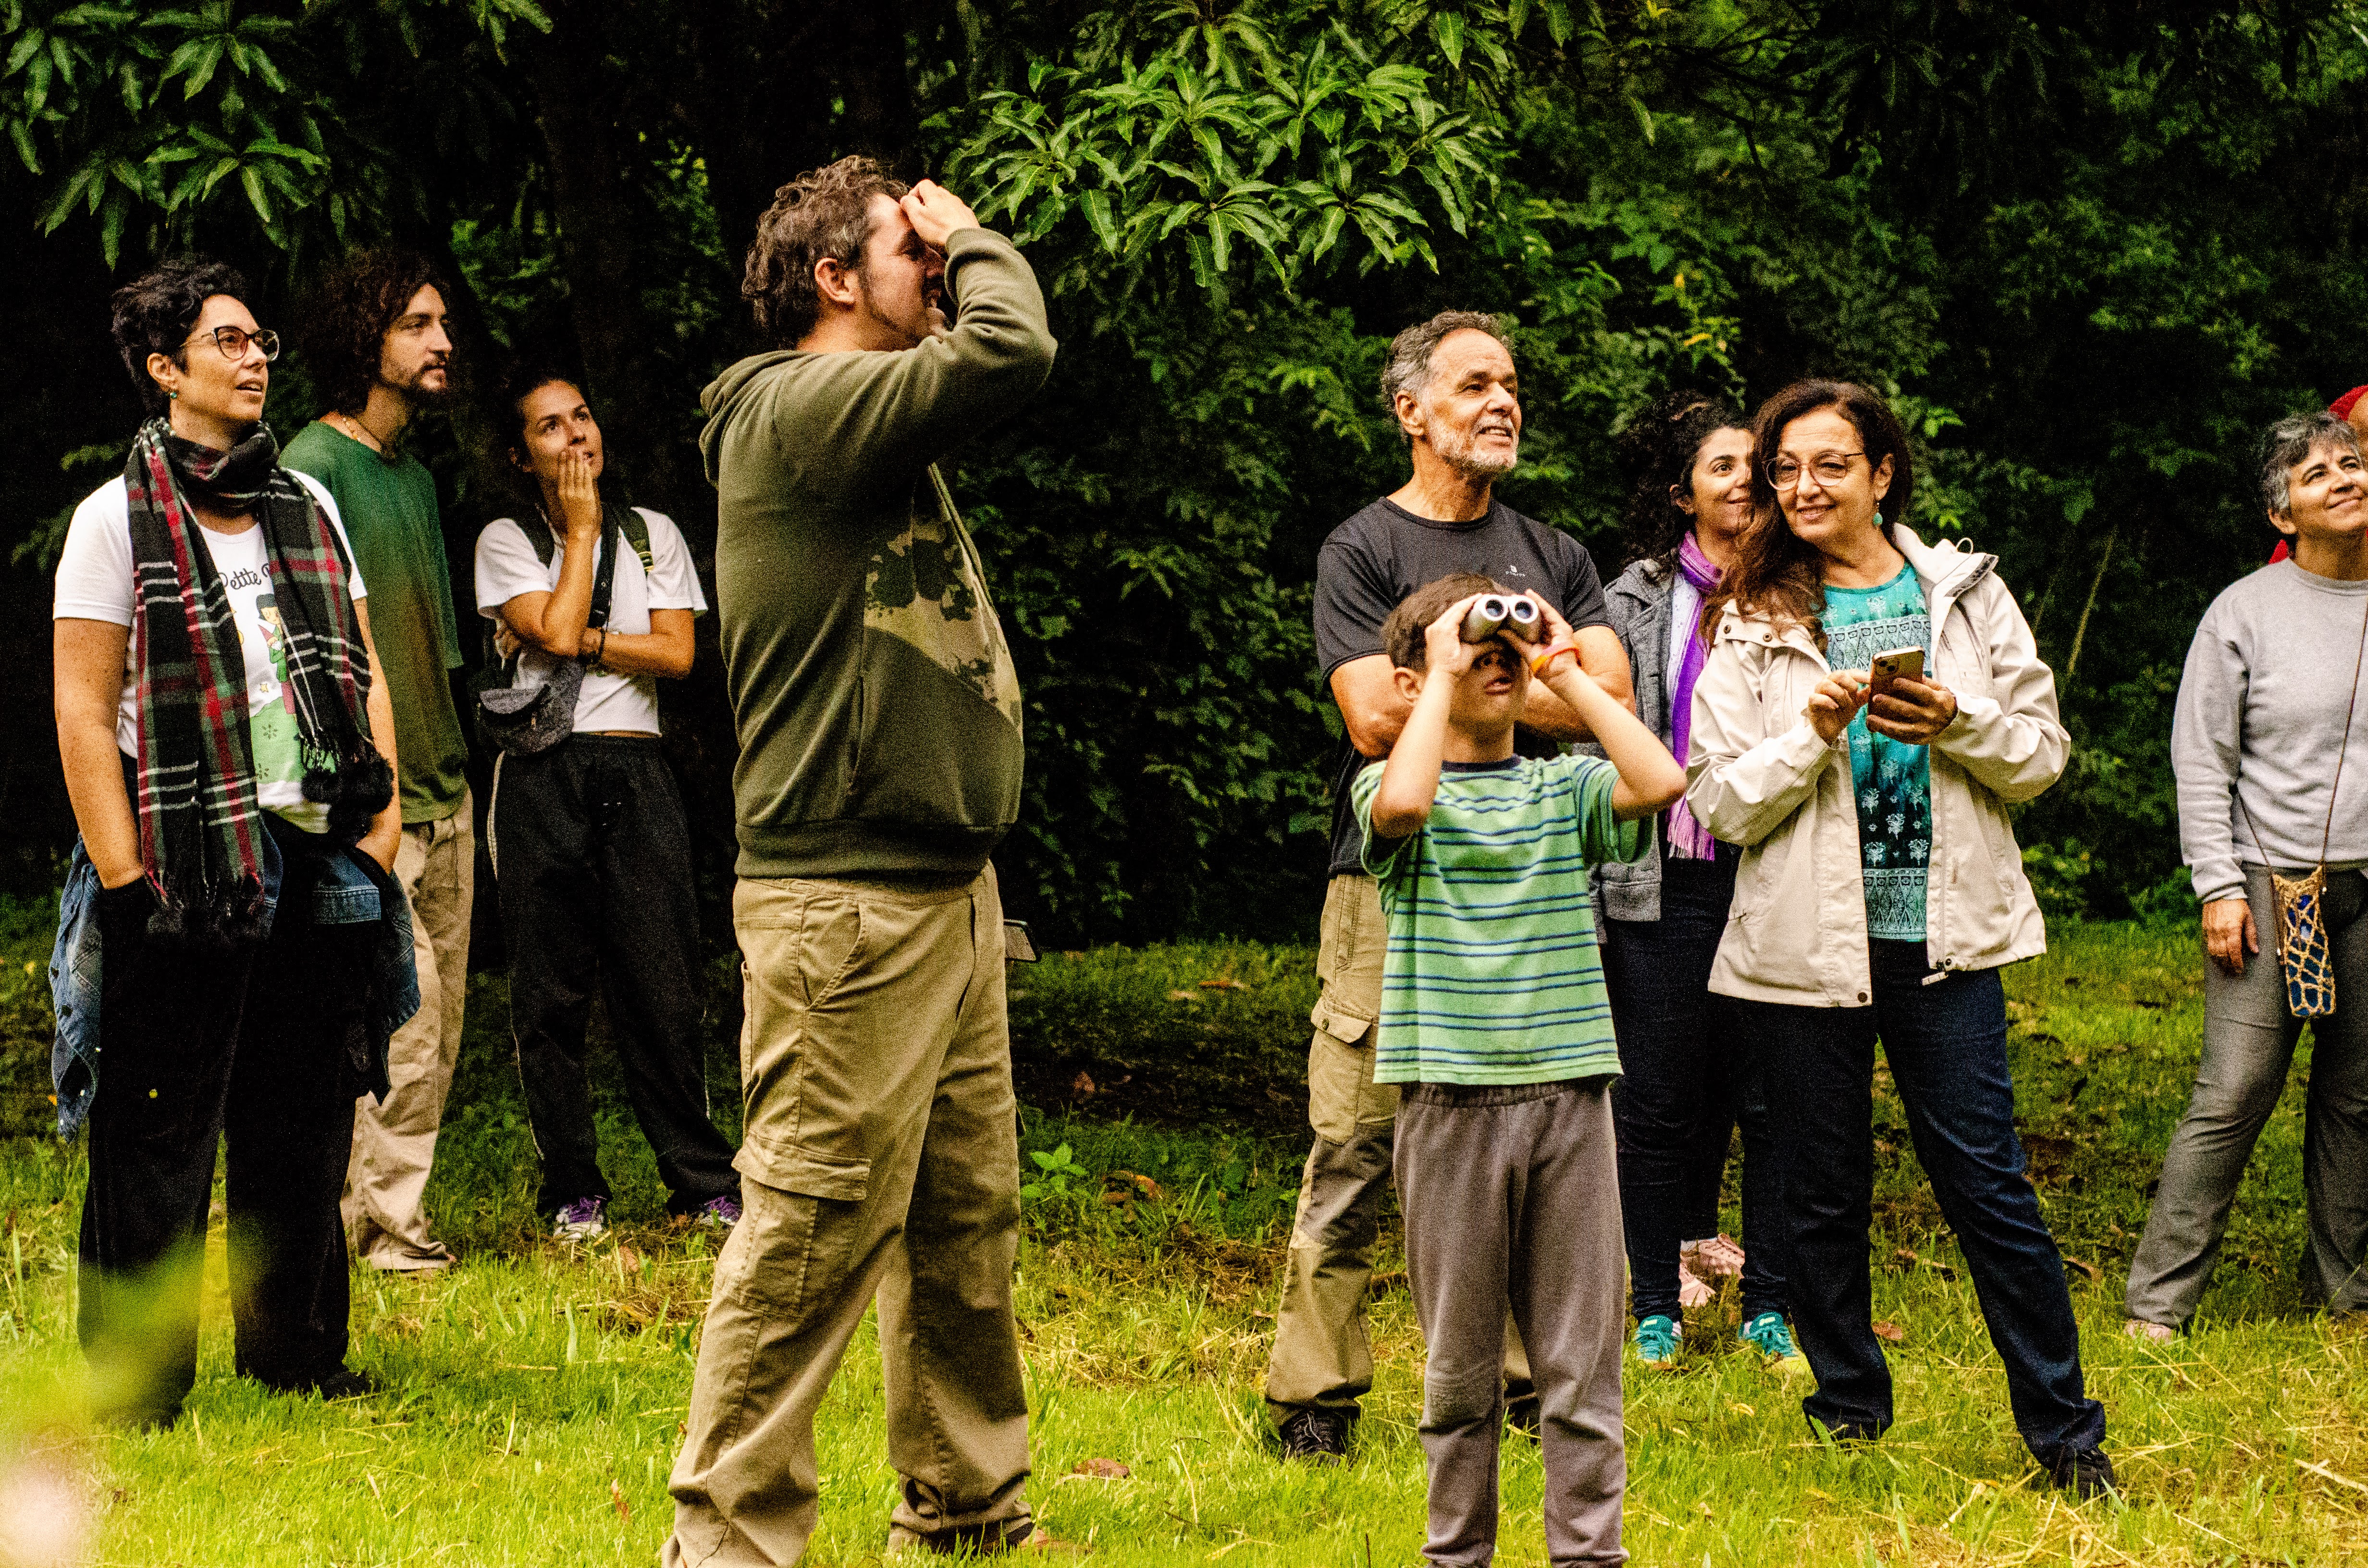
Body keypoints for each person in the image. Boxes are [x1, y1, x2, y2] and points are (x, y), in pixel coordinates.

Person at [666, 157, 1056, 1564]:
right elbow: (1012, 348)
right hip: (845, 902)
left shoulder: (862, 426)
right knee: (814, 1228)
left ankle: (965, 1512)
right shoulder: (791, 408)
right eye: (909, 247)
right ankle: (729, 1539)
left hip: (946, 895)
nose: (939, 264)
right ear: (837, 277)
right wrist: (973, 238)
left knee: (965, 1225)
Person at [1685, 379, 2114, 1494]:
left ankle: (2065, 1438)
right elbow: (1721, 802)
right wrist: (1812, 735)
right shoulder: (1749, 619)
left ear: (1881, 474)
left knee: (1987, 1183)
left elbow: (2042, 756)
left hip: (1943, 937)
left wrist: (1958, 723)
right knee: (1817, 1191)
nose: (1800, 487)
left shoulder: (1964, 598)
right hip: (1803, 945)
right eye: (1783, 468)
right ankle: (1848, 1415)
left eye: (1828, 464)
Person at [49, 258, 411, 1426]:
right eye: (228, 342)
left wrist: (382, 823)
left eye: (259, 340)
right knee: (157, 1126)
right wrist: (120, 876)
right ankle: (132, 1383)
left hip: (313, 839)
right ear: (167, 370)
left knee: (301, 1114)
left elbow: (362, 669)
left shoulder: (306, 506)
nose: (257, 357)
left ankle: (297, 1352)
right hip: (178, 849)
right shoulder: (118, 517)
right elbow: (79, 704)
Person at [1274, 309, 1635, 1462]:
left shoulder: (1555, 551)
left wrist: (1457, 683)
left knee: (1532, 1135)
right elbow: (1374, 718)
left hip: (1533, 877)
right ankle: (1315, 1396)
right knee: (1354, 1141)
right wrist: (1534, 681)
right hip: (1397, 876)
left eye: (1512, 384)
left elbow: (1616, 698)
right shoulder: (1363, 548)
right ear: (1412, 410)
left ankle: (1529, 1386)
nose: (1502, 402)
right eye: (1475, 382)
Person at [1357, 575, 1682, 1568]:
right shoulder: (1386, 786)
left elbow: (1660, 781)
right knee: (1460, 1370)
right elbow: (1408, 802)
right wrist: (1445, 664)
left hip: (1569, 1096)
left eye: (1507, 659)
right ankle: (1456, 1554)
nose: (1492, 667)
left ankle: (1589, 1556)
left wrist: (1560, 668)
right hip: (1449, 1102)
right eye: (1471, 657)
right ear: (1414, 682)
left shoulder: (1561, 788)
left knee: (1581, 1365)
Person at [475, 369, 740, 1243]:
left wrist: (580, 635)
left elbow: (677, 654)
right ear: (524, 456)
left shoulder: (657, 533)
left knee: (660, 978)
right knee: (548, 991)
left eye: (583, 416)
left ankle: (700, 1180)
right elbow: (542, 630)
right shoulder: (505, 538)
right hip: (540, 773)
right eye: (551, 428)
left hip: (636, 766)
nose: (576, 436)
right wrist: (580, 535)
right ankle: (572, 1190)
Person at [2125, 411, 2368, 1335]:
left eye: (2351, 462)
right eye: (2316, 474)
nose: (2344, 478)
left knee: (2359, 1100)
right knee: (2233, 1093)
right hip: (2275, 886)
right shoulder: (2245, 611)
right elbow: (2202, 761)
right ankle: (2158, 1306)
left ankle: (2345, 1295)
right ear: (2284, 511)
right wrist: (2219, 889)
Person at [285, 248, 474, 1274]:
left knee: (437, 1031)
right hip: (372, 797)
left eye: (441, 323)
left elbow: (436, 651)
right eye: (417, 324)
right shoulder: (315, 467)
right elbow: (304, 653)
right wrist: (357, 799)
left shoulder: (414, 477)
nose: (441, 343)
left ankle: (382, 1216)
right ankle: (382, 1228)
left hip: (449, 785)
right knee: (400, 1016)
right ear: (368, 339)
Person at [1598, 390, 1793, 1369]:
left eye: (1758, 467)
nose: (1746, 483)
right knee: (1656, 1097)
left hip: (1773, 880)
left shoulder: (1803, 588)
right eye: (1724, 467)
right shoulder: (1629, 598)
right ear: (1683, 494)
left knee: (1768, 1098)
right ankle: (1651, 1305)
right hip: (1659, 880)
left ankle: (1768, 1303)